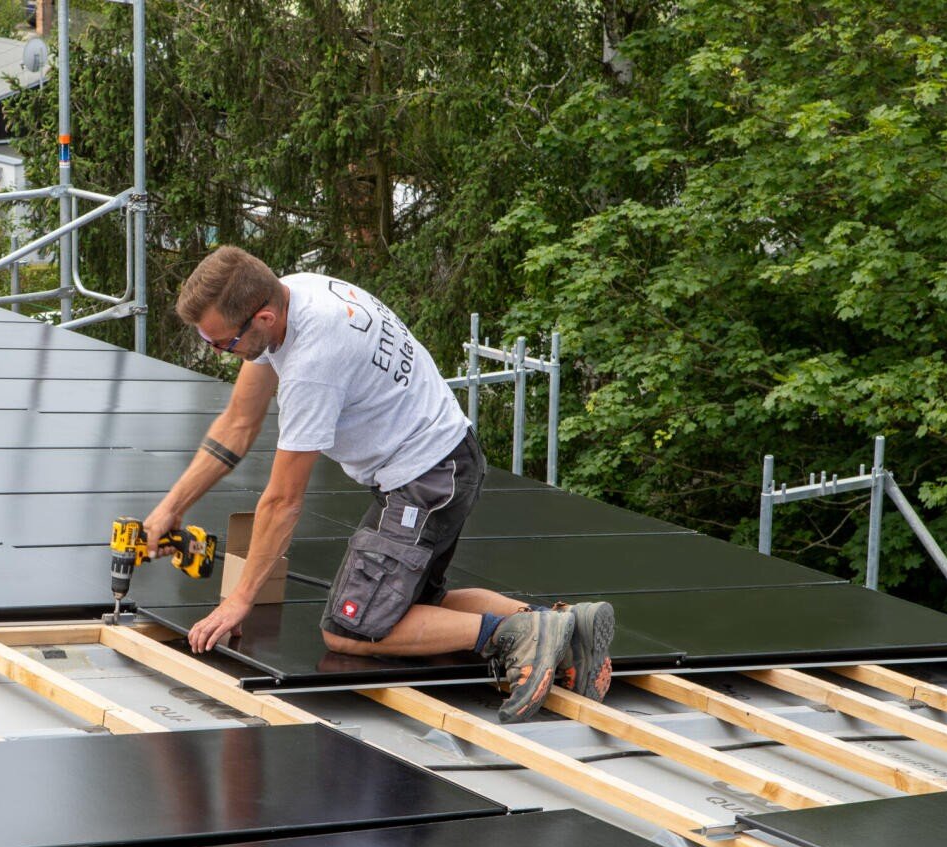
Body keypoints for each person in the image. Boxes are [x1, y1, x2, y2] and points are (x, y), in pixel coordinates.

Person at [143, 247, 614, 723]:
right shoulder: (290, 294)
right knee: (415, 609)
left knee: (353, 627)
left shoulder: (312, 364)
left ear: (262, 317)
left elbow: (283, 501)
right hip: (441, 461)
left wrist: (239, 601)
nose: (221, 354)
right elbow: (238, 424)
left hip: (425, 479)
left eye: (223, 343)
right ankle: (566, 627)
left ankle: (518, 635)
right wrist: (170, 509)